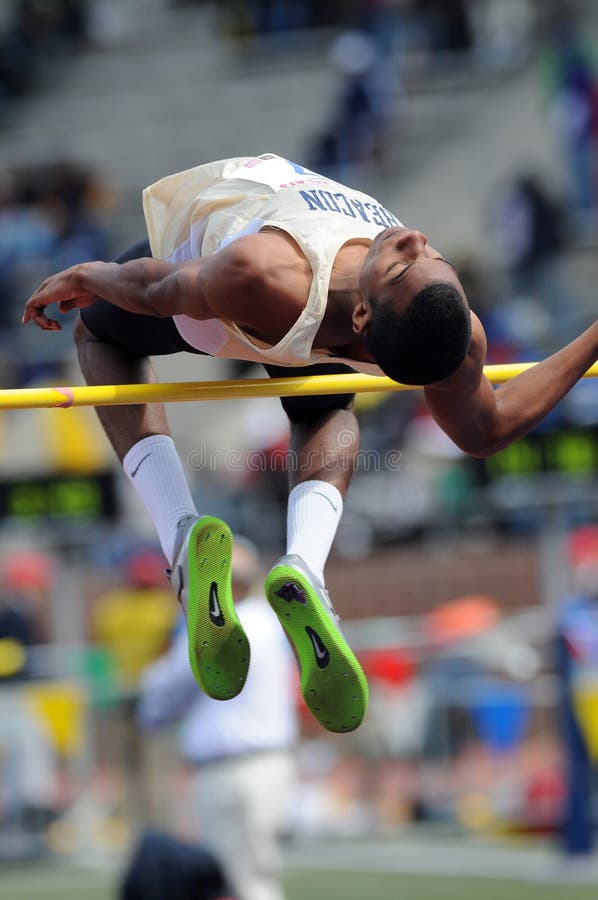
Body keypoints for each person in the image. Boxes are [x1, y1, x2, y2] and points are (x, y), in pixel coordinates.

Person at [21, 152, 598, 733]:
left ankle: (181, 537)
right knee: (327, 404)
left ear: (366, 316)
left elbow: (151, 287)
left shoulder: (270, 270)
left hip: (226, 286)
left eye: (407, 265)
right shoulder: (450, 332)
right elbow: (486, 428)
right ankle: (306, 566)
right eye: (431, 253)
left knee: (98, 330)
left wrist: (88, 275)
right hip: (290, 315)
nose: (415, 240)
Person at [138, 537, 298, 900]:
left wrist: (152, 694)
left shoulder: (234, 623)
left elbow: (166, 686)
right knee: (242, 878)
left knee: (244, 881)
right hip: (250, 765)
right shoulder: (266, 622)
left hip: (240, 768)